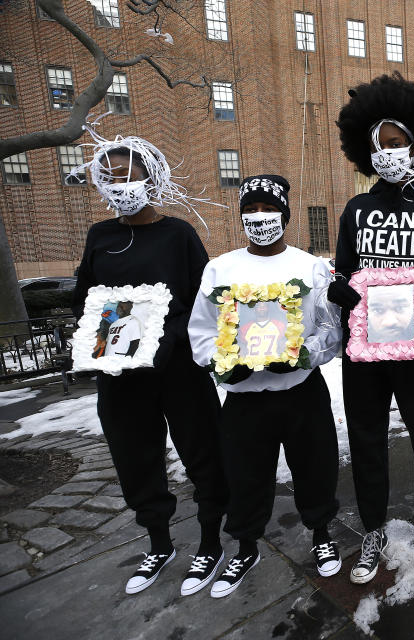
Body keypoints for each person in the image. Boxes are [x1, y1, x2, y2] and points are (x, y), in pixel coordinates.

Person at [70, 131, 229, 597]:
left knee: (203, 451)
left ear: (151, 177)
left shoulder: (177, 234)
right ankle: (159, 541)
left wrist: (165, 333)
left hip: (178, 371)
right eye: (110, 176)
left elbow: (204, 302)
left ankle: (209, 539)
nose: (119, 184)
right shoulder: (100, 235)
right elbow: (86, 297)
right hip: (120, 374)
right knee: (135, 458)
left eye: (128, 174)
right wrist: (96, 331)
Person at [328, 73, 414, 584]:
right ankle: (372, 530)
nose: (387, 152)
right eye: (378, 145)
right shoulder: (356, 209)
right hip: (364, 352)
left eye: (396, 142)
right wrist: (339, 289)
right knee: (366, 442)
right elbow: (342, 270)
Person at [188, 174, 342, 597]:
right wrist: (221, 365)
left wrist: (307, 354)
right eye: (250, 210)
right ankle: (245, 544)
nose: (260, 218)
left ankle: (322, 533)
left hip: (300, 393)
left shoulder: (308, 266)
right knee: (244, 474)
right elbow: (200, 331)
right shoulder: (220, 268)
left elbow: (330, 328)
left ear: (285, 214)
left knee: (315, 466)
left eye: (267, 209)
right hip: (244, 397)